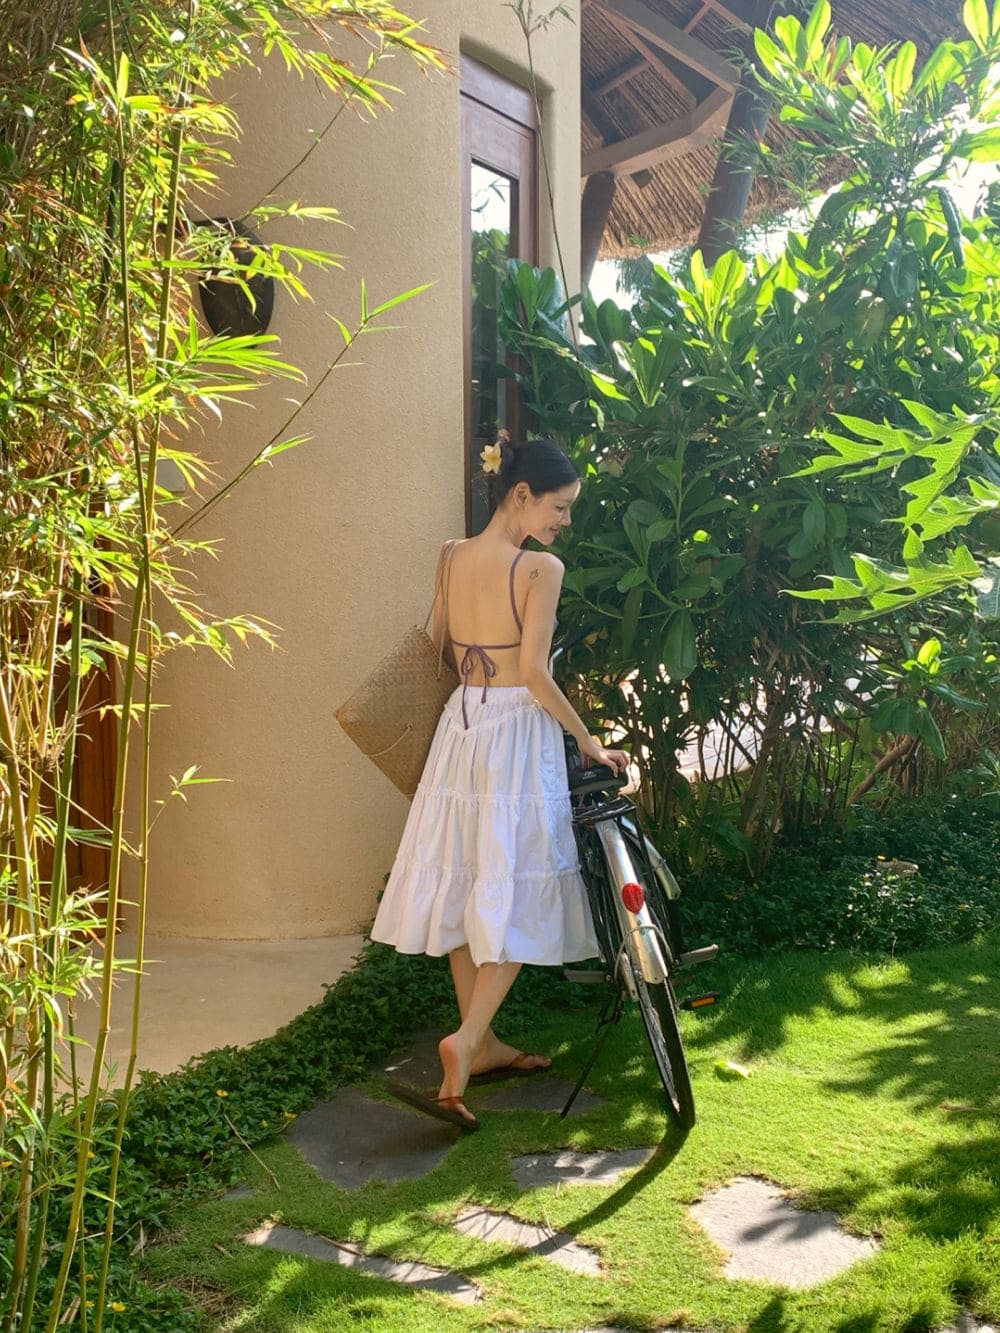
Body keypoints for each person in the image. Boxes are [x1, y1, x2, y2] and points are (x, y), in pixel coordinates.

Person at [371, 437, 628, 1131]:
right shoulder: (541, 568)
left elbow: (437, 647)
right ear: (521, 494)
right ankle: (463, 1041)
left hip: (461, 727)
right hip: (516, 732)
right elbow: (536, 674)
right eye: (559, 507)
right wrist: (587, 739)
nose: (564, 521)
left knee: (466, 878)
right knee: (516, 883)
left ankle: (480, 1042)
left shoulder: (451, 555)